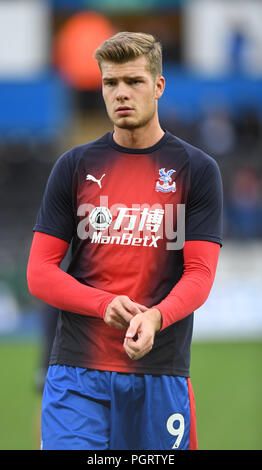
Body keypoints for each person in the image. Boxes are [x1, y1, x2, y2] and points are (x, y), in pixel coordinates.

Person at [27, 32, 223, 450]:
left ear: (158, 86)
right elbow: (39, 273)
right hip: (77, 375)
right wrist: (103, 303)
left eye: (133, 81)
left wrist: (154, 318)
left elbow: (201, 273)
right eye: (110, 82)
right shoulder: (74, 167)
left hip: (160, 371)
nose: (120, 93)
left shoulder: (196, 169)